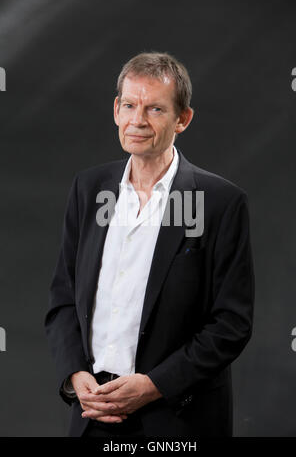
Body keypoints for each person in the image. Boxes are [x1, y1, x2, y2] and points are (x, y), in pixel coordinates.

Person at [45, 51, 255, 438]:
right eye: (129, 105)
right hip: (94, 414)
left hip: (176, 418)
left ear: (182, 119)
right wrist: (75, 375)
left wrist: (156, 385)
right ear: (116, 110)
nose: (137, 120)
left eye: (155, 109)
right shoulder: (89, 189)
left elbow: (231, 324)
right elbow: (62, 298)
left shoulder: (220, 202)